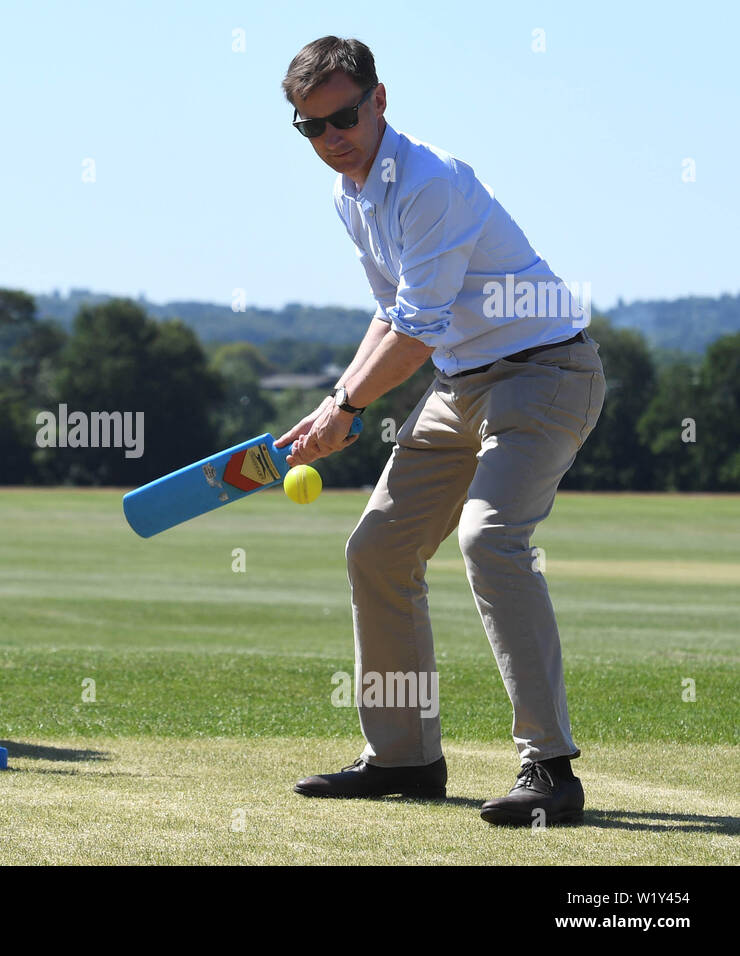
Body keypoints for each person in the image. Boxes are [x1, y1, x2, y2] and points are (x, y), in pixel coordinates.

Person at [273, 38, 605, 825]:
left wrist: (346, 408)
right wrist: (336, 399)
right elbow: (391, 314)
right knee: (377, 551)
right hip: (461, 385)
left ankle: (551, 770)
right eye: (311, 128)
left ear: (380, 100)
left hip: (545, 371)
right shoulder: (349, 196)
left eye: (344, 117)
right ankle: (403, 758)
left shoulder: (430, 184)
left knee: (490, 539)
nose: (332, 139)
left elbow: (417, 331)